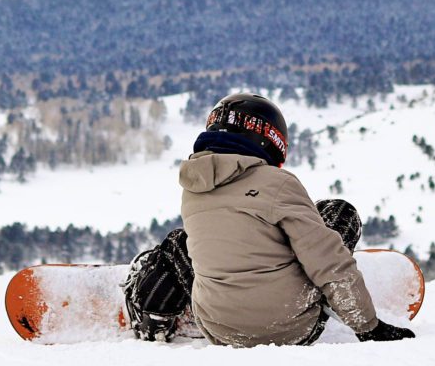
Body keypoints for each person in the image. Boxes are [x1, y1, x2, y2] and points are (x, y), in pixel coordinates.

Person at [123, 92, 416, 346]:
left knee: (178, 243)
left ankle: (154, 316)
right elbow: (327, 259)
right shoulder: (279, 183)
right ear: (271, 138)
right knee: (338, 213)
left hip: (219, 329)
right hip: (293, 327)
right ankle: (335, 301)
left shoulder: (193, 187)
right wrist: (368, 327)